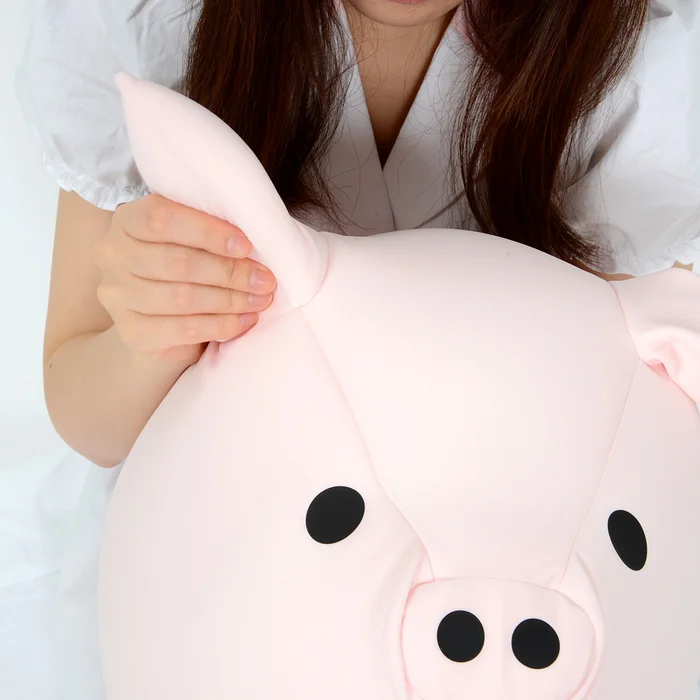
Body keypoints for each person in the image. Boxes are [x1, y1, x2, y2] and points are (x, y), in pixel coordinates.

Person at [15, 0, 699, 467]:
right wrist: (153, 337)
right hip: (224, 544)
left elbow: (624, 436)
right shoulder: (141, 20)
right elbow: (88, 416)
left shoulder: (646, 63)